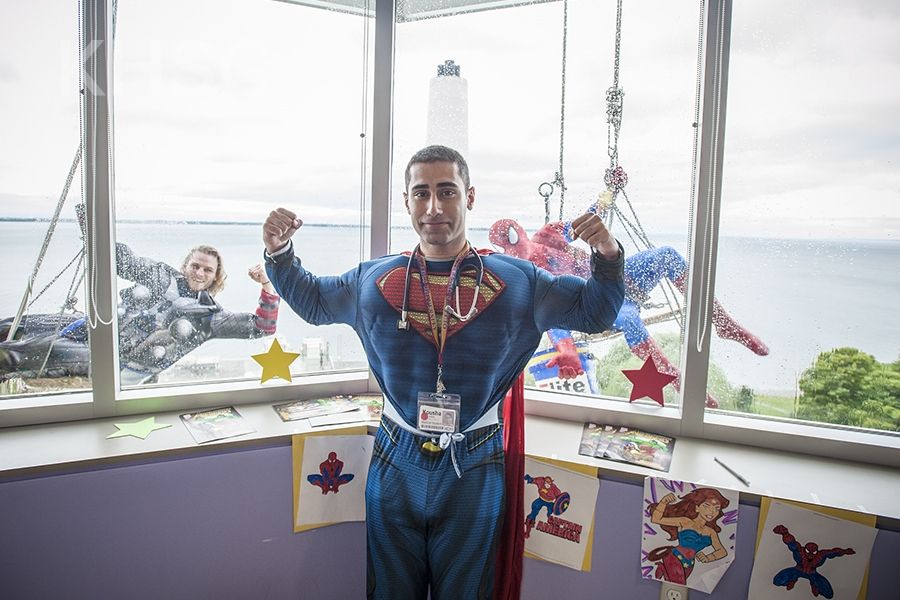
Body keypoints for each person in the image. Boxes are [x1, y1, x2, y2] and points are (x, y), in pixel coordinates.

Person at [262, 145, 625, 600]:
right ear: (407, 201)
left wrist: (607, 254)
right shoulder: (372, 281)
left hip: (475, 462)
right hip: (396, 458)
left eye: (447, 191)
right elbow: (313, 301)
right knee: (391, 591)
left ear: (469, 197)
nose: (433, 207)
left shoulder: (520, 282)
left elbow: (596, 311)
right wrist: (280, 252)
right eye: (422, 193)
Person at [489, 215, 770, 408]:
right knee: (626, 318)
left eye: (510, 236)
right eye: (504, 244)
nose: (511, 246)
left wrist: (609, 191)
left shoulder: (548, 235)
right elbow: (547, 312)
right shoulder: (528, 275)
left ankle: (722, 322)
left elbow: (588, 221)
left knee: (667, 255)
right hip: (600, 301)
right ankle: (674, 377)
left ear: (519, 231)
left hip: (618, 276)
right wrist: (565, 347)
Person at [0, 243, 280, 385]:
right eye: (195, 265)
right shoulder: (161, 277)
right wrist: (92, 218)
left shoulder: (210, 316)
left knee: (26, 352)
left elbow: (262, 327)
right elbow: (124, 261)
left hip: (113, 363)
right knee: (15, 325)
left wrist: (267, 284)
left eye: (207, 270)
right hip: (87, 327)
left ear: (216, 277)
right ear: (186, 265)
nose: (199, 272)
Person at [647, 488, 730, 585]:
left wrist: (708, 558)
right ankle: (665, 568)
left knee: (677, 583)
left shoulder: (711, 532)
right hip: (675, 557)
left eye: (716, 508)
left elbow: (722, 551)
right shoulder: (685, 521)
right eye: (707, 506)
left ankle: (663, 569)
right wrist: (663, 502)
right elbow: (656, 519)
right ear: (697, 508)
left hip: (690, 564)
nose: (712, 512)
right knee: (679, 583)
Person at [771, 524, 855, 599]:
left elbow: (833, 552)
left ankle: (815, 586)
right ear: (805, 550)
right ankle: (792, 580)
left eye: (813, 553)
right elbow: (791, 542)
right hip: (797, 570)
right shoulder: (799, 551)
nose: (810, 555)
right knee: (777, 580)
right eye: (808, 552)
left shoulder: (821, 555)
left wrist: (845, 551)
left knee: (828, 593)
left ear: (817, 552)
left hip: (813, 574)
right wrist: (785, 533)